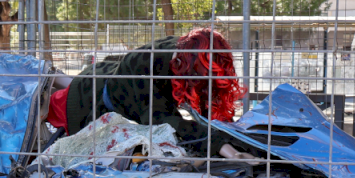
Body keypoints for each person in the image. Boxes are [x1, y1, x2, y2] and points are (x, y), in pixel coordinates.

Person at [44, 28, 246, 155]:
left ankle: (52, 77)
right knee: (44, 107)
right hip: (84, 99)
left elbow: (209, 108)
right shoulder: (146, 66)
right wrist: (222, 146)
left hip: (110, 78)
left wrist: (230, 138)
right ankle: (45, 79)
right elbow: (165, 121)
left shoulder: (190, 50)